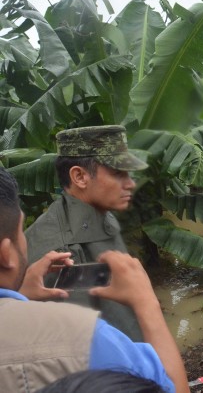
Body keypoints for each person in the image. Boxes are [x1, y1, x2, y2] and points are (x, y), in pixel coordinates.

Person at [0, 167, 189, 393]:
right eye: (118, 174)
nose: (130, 183)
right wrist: (147, 303)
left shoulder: (108, 225)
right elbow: (170, 387)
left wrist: (21, 296)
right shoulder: (86, 336)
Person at [25, 125, 148, 341]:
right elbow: (82, 343)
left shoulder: (102, 214)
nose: (130, 184)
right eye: (118, 174)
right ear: (80, 177)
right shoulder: (62, 253)